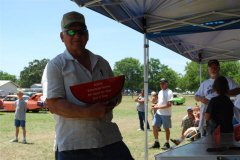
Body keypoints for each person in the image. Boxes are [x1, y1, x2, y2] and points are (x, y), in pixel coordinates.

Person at [41, 11, 133, 160]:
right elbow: (54, 105)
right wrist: (91, 112)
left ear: (87, 34)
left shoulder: (102, 62)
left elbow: (115, 93)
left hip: (110, 139)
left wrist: (113, 100)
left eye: (81, 31)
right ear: (62, 36)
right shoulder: (56, 65)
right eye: (71, 31)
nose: (77, 35)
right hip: (75, 145)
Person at [195, 59, 240, 136]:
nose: (213, 69)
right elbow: (196, 96)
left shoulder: (226, 79)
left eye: (215, 67)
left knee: (215, 136)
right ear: (208, 69)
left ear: (219, 68)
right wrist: (201, 99)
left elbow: (238, 90)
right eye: (211, 67)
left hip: (221, 112)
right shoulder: (204, 83)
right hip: (209, 111)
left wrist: (222, 92)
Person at [149, 78, 173, 150]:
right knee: (154, 126)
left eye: (163, 83)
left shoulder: (169, 92)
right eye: (160, 83)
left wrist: (158, 107)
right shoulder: (160, 92)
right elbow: (160, 102)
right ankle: (156, 142)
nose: (161, 85)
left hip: (166, 113)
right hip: (159, 113)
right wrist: (155, 105)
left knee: (166, 128)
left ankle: (167, 143)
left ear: (166, 84)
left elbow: (169, 104)